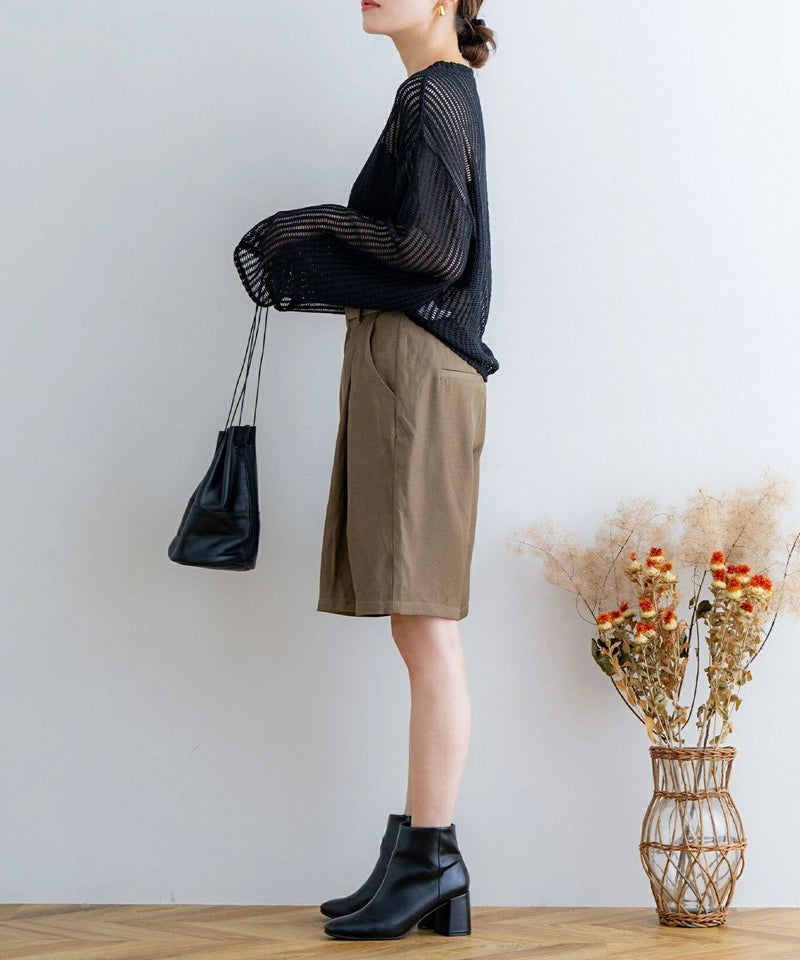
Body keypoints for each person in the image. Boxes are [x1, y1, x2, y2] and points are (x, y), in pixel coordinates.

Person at [232, 0, 498, 941]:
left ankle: (433, 859)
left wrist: (312, 226)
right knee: (417, 625)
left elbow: (433, 254)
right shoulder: (432, 93)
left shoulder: (434, 96)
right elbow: (427, 252)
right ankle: (416, 853)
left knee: (426, 626)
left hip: (418, 373)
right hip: (408, 371)